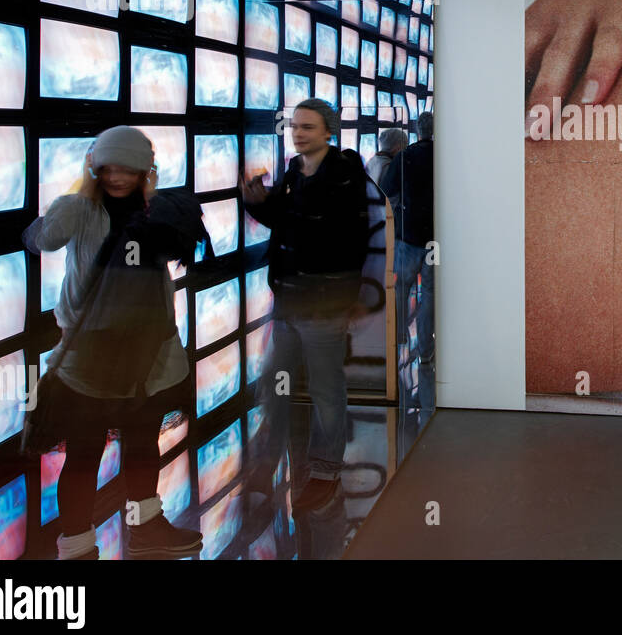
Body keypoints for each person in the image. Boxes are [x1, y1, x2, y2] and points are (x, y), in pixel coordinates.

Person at [22, 126, 209, 560]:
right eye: (109, 166)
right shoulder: (79, 209)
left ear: (146, 170)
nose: (118, 176)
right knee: (85, 452)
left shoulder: (158, 211)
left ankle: (144, 527)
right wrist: (68, 200)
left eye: (129, 167)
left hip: (150, 350)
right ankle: (77, 547)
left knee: (143, 441)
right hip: (92, 354)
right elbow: (43, 239)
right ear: (95, 167)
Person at [241, 99, 372, 513]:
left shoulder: (345, 175)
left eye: (308, 128)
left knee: (325, 392)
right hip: (290, 300)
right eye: (295, 126)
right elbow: (286, 221)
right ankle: (265, 465)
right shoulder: (294, 173)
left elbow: (347, 238)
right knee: (274, 386)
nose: (298, 133)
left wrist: (349, 298)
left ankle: (325, 472)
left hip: (324, 304)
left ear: (328, 132)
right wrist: (258, 202)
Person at [382, 110, 435, 365]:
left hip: (408, 235)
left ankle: (398, 336)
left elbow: (387, 191)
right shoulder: (444, 157)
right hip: (436, 237)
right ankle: (426, 348)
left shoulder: (405, 157)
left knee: (401, 288)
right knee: (431, 294)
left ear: (417, 130)